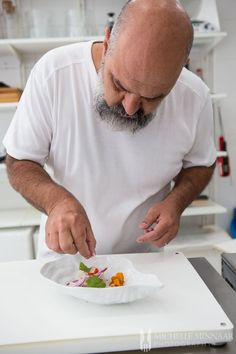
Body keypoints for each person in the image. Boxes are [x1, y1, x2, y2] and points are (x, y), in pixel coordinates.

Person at [3, 0, 216, 259]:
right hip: (65, 261)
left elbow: (201, 164)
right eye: (120, 84)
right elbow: (20, 161)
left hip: (146, 262)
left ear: (181, 67)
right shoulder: (54, 74)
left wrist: (176, 202)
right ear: (107, 42)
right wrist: (56, 201)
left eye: (153, 97)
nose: (129, 108)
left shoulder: (195, 96)